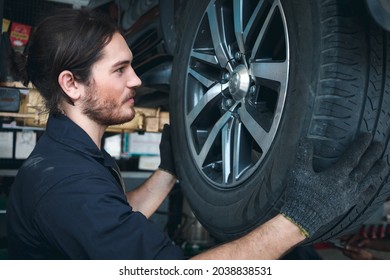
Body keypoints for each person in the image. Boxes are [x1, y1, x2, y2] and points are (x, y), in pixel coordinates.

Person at [5, 8, 388, 260]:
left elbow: (114, 220)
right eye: (120, 70)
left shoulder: (69, 158)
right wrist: (300, 218)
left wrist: (167, 172)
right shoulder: (66, 184)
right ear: (72, 84)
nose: (137, 80)